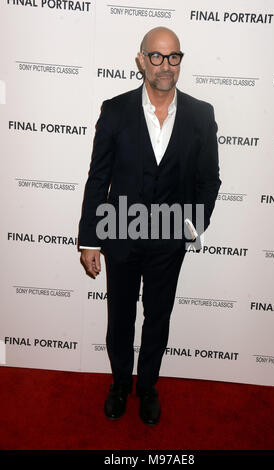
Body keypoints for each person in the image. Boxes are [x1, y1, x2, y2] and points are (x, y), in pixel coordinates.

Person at [78, 26, 221, 425]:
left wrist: (189, 229)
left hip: (168, 240)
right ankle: (121, 383)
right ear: (141, 60)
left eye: (173, 56)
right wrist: (89, 239)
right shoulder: (115, 109)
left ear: (180, 61)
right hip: (120, 234)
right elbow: (98, 178)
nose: (165, 65)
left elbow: (209, 181)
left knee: (158, 317)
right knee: (119, 316)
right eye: (156, 56)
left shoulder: (200, 114)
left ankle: (148, 387)